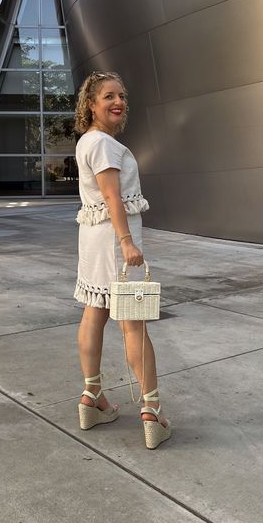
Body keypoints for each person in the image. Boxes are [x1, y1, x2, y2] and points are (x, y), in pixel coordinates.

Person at [73, 71, 171, 449]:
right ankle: (152, 410)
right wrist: (127, 242)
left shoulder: (89, 142)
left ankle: (92, 397)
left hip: (95, 240)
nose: (119, 102)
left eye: (123, 96)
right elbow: (113, 197)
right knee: (133, 326)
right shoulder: (104, 145)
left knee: (94, 312)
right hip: (115, 243)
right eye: (109, 96)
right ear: (92, 104)